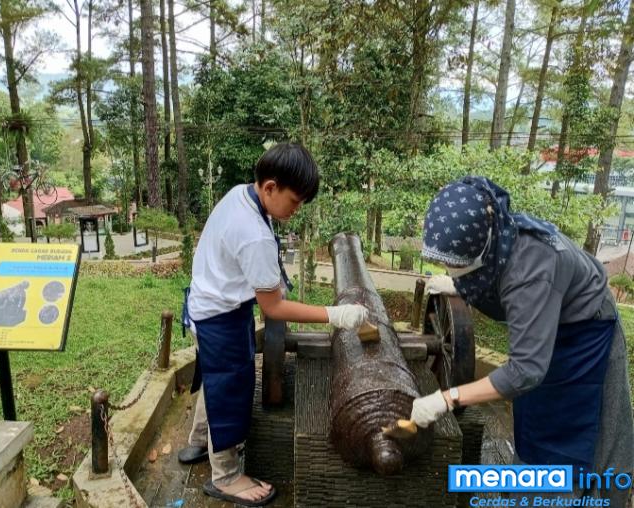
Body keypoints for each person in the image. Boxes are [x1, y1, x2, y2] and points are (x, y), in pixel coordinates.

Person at [411, 176, 633, 506]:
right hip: (549, 331)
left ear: (480, 246)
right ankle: (527, 490)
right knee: (533, 420)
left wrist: (447, 398)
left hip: (583, 336)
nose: (449, 267)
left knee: (579, 439)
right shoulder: (497, 235)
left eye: (454, 264)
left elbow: (525, 371)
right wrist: (459, 285)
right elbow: (491, 276)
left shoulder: (533, 267)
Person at [178, 143, 368, 507]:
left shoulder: (240, 194)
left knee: (215, 379)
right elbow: (275, 308)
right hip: (221, 318)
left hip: (205, 307)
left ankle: (201, 440)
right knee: (231, 391)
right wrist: (335, 314)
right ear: (269, 187)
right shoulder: (255, 235)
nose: (296, 211)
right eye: (294, 201)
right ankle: (227, 477)